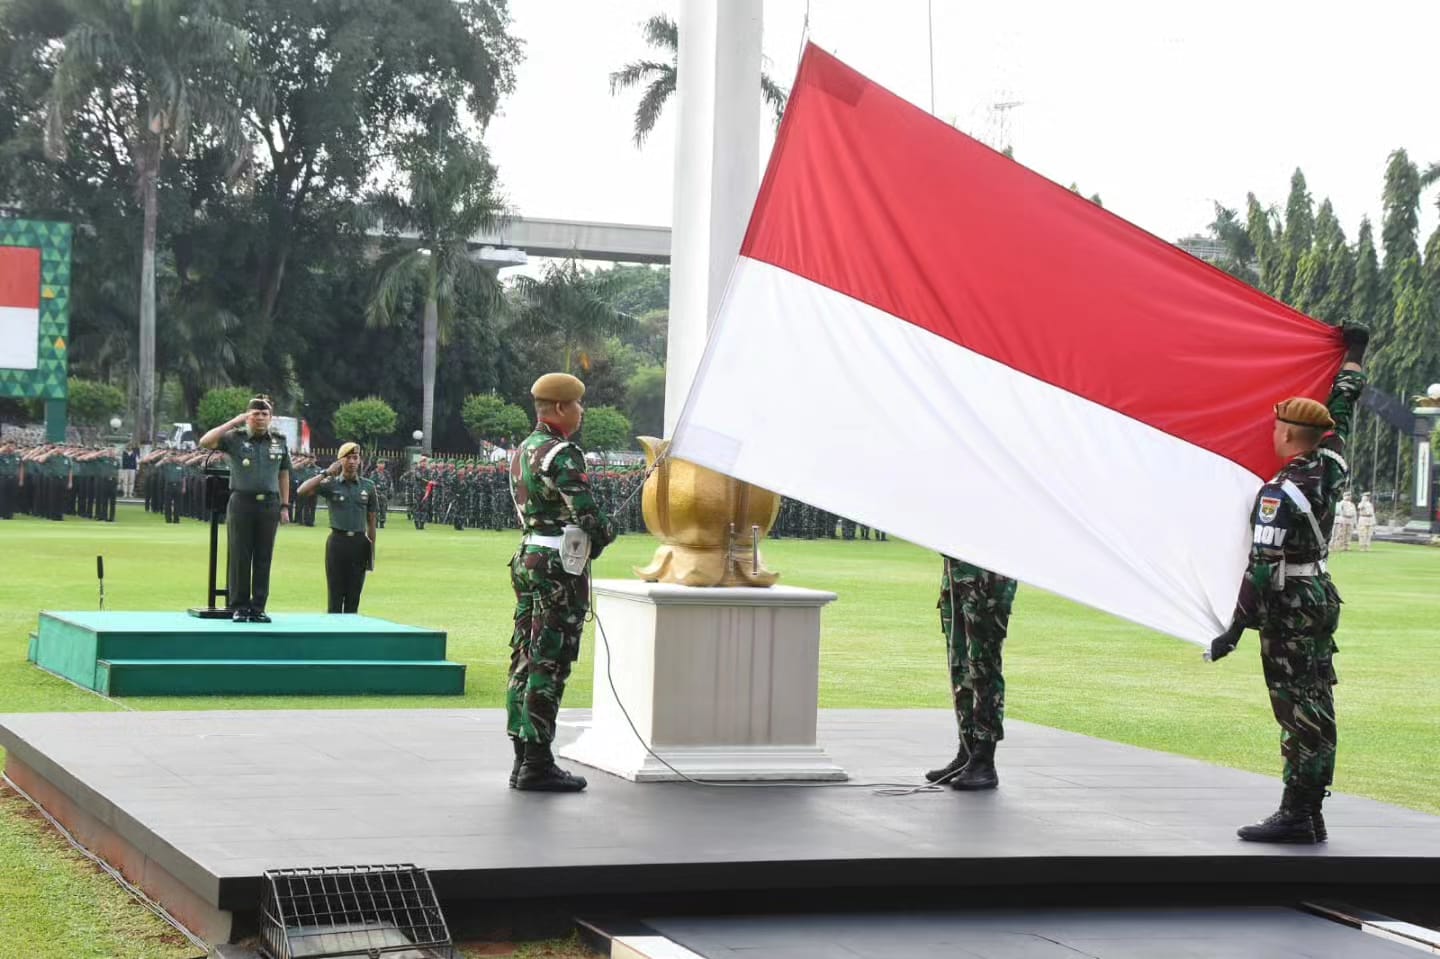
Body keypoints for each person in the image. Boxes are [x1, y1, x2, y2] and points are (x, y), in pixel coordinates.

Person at [1208, 325, 1367, 844]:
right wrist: (1354, 356)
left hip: (1290, 604)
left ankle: (1297, 812)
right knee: (1318, 699)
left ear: (1285, 435)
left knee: (1297, 707)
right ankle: (1311, 808)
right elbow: (1344, 408)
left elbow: (1261, 565)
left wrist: (1234, 629)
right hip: (1319, 595)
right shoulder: (1332, 466)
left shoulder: (1278, 493)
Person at [505, 372, 617, 793]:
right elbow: (586, 515)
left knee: (524, 657)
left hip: (529, 555)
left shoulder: (523, 451)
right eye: (577, 405)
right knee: (549, 660)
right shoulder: (562, 453)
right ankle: (538, 762)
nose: (582, 411)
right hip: (558, 565)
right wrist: (607, 533)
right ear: (558, 408)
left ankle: (522, 756)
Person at [926, 556, 1018, 790]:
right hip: (957, 575)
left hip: (986, 579)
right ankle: (966, 752)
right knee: (960, 667)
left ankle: (984, 760)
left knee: (982, 666)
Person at [200, 396, 292, 623]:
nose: (260, 418)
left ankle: (258, 607)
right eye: (255, 414)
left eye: (264, 414)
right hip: (242, 502)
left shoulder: (279, 441)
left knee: (264, 556)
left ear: (270, 418)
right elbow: (205, 441)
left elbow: (284, 473)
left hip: (269, 504)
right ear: (248, 416)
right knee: (240, 555)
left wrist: (285, 505)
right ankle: (239, 606)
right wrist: (235, 421)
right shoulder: (234, 438)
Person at [298, 443, 377, 614]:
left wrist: (371, 553)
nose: (352, 462)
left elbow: (372, 522)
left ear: (360, 460)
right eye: (347, 458)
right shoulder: (331, 484)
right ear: (340, 461)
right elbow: (302, 490)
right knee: (335, 594)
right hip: (337, 542)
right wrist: (325, 472)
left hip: (359, 543)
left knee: (354, 596)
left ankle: (350, 636)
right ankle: (333, 634)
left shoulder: (368, 486)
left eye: (355, 458)